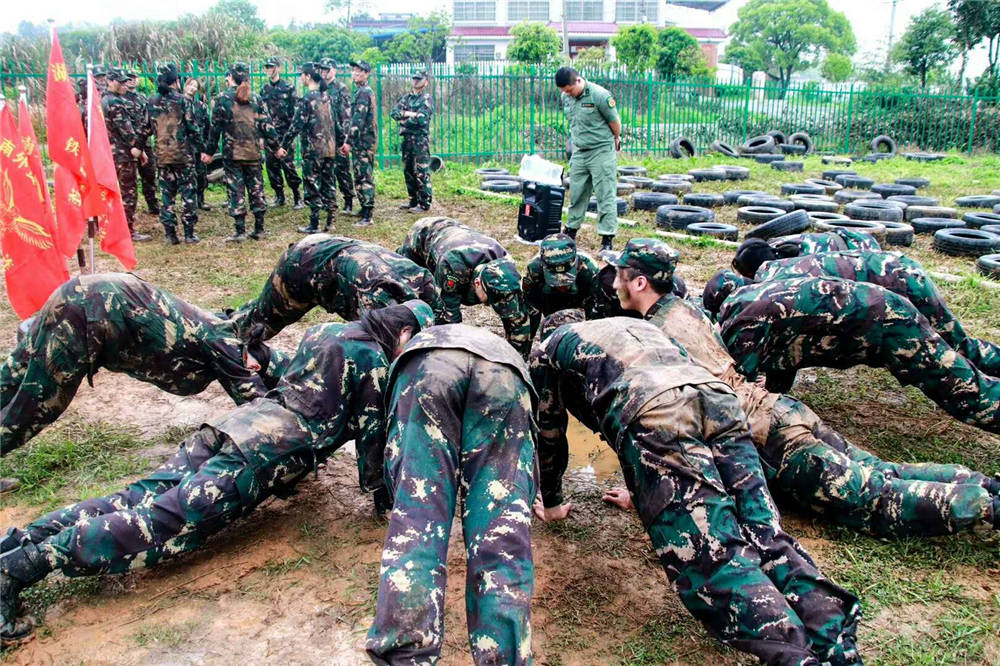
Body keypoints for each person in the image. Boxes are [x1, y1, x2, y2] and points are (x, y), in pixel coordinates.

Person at [0, 302, 434, 647]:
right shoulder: (376, 361)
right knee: (160, 523)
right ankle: (23, 567)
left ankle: (27, 538)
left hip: (234, 427)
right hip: (257, 457)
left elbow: (285, 374)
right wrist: (383, 495)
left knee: (134, 496)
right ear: (404, 333)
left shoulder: (327, 331)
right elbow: (373, 439)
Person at [607, 237, 1000, 538]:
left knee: (877, 499)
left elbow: (676, 423)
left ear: (639, 281)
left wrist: (642, 491)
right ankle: (987, 485)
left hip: (768, 437)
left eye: (621, 276)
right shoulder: (687, 308)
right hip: (784, 409)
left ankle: (989, 506)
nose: (614, 284)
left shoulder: (653, 336)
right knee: (883, 470)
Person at [530, 315, 862, 665]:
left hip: (657, 413)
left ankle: (795, 656)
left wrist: (551, 502)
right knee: (765, 532)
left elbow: (549, 432)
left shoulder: (547, 351)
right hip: (719, 399)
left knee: (711, 560)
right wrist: (643, 485)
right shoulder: (626, 329)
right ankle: (834, 636)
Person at [366, 324, 536, 666]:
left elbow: (384, 448)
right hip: (505, 374)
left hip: (427, 371)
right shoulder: (497, 345)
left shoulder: (414, 351)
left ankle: (405, 657)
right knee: (502, 537)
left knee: (417, 523)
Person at [0, 274, 275, 456]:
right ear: (245, 348)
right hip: (86, 314)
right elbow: (258, 412)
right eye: (254, 363)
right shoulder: (225, 344)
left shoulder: (214, 328)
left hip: (79, 297)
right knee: (38, 403)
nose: (252, 369)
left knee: (14, 376)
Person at [717, 276, 1000, 433]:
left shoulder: (742, 328)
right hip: (880, 310)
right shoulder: (745, 301)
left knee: (967, 394)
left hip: (889, 325)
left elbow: (744, 396)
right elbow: (783, 356)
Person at [751, 249, 1000, 376]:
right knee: (951, 346)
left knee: (952, 349)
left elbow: (788, 338)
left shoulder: (770, 293)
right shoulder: (775, 272)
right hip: (899, 270)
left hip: (902, 284)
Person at [231, 234, 447, 342]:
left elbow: (446, 331)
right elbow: (378, 354)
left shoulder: (426, 284)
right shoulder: (376, 300)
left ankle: (233, 318)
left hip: (338, 253)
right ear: (404, 330)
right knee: (261, 324)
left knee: (261, 307)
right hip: (305, 263)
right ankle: (217, 338)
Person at [398, 217, 531, 356]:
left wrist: (517, 362)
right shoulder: (453, 267)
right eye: (491, 299)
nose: (494, 305)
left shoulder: (506, 269)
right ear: (477, 284)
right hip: (423, 234)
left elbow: (518, 322)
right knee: (412, 289)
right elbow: (448, 320)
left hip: (458, 234)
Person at [202, 62, 286, 242]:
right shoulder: (256, 98)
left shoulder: (222, 99)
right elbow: (267, 126)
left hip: (233, 155)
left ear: (230, 77)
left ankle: (240, 231)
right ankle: (259, 228)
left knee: (236, 190)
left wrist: (209, 152)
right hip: (254, 153)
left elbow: (215, 129)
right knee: (256, 189)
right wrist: (276, 147)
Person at [555, 66, 621, 251]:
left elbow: (614, 121)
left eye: (569, 90)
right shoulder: (566, 97)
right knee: (576, 193)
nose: (567, 94)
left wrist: (616, 138)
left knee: (605, 194)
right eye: (564, 92)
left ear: (578, 81)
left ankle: (607, 238)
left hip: (601, 150)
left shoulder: (599, 95)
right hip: (580, 151)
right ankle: (571, 231)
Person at [283, 63, 343, 234]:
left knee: (312, 185)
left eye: (301, 75)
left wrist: (283, 145)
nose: (300, 78)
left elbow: (296, 125)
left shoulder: (307, 99)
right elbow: (336, 124)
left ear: (308, 76)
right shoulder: (327, 98)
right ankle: (331, 221)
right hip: (329, 149)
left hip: (313, 149)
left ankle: (315, 223)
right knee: (329, 183)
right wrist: (340, 143)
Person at [147, 64, 202, 244]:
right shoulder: (183, 101)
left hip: (162, 156)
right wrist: (202, 148)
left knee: (166, 196)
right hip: (183, 155)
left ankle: (170, 234)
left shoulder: (152, 101)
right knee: (188, 193)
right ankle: (189, 233)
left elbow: (146, 127)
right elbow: (193, 128)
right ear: (177, 81)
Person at [101, 69, 152, 242]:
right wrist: (138, 149)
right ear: (110, 81)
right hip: (122, 153)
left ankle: (115, 227)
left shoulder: (104, 100)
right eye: (120, 82)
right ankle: (127, 230)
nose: (124, 85)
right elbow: (127, 130)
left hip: (113, 152)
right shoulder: (114, 102)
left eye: (125, 82)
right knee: (128, 192)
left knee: (117, 192)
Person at [521, 233, 601, 336]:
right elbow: (531, 307)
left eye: (565, 282)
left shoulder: (590, 270)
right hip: (550, 301)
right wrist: (528, 338)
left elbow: (595, 308)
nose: (561, 286)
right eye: (556, 282)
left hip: (579, 302)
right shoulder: (535, 269)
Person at [260, 56, 303, 209]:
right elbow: (261, 114)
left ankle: (297, 196)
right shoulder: (264, 89)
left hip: (284, 133)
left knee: (288, 164)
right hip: (269, 134)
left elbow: (294, 112)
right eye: (266, 67)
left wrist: (291, 133)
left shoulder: (288, 87)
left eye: (271, 67)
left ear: (277, 68)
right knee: (272, 166)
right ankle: (279, 195)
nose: (268, 70)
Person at [389, 69, 434, 213]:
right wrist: (411, 114)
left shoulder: (426, 98)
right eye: (414, 78)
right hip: (407, 139)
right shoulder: (406, 98)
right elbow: (394, 113)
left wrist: (405, 118)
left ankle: (424, 203)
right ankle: (413, 199)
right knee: (408, 170)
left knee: (421, 170)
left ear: (425, 82)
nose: (415, 81)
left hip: (420, 140)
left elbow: (422, 119)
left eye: (419, 79)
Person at [341, 60, 377, 227]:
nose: (355, 73)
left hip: (363, 142)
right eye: (353, 70)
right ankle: (364, 208)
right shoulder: (360, 91)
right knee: (359, 174)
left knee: (364, 176)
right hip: (362, 142)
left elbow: (358, 121)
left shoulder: (364, 92)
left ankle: (368, 214)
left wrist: (349, 142)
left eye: (359, 70)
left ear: (366, 73)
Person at [318, 59, 354, 216]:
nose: (324, 72)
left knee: (342, 169)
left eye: (327, 69)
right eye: (322, 69)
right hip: (322, 135)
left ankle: (348, 200)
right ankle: (327, 200)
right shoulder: (319, 88)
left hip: (337, 134)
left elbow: (346, 114)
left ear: (335, 70)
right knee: (325, 170)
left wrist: (345, 138)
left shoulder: (341, 88)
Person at [124, 70, 161, 217]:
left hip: (145, 143)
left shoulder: (142, 99)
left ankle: (153, 204)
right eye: (129, 78)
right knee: (128, 180)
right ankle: (128, 210)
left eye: (135, 78)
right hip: (129, 146)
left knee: (149, 174)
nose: (132, 80)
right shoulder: (120, 100)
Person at [183, 78, 212, 211]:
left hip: (199, 145)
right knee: (188, 175)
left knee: (201, 174)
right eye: (190, 85)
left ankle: (200, 199)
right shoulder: (179, 103)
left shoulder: (201, 106)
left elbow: (207, 127)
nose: (193, 88)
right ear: (185, 86)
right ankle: (189, 202)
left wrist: (205, 147)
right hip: (185, 146)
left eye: (195, 86)